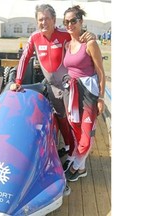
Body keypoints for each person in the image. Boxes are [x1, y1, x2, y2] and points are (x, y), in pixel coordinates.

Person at [9, 4, 96, 196]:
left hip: (68, 85)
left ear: (54, 19)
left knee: (73, 121)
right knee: (60, 117)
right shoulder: (34, 37)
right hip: (52, 86)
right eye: (40, 19)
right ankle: (68, 147)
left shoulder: (64, 33)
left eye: (46, 18)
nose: (43, 22)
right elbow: (25, 58)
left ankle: (75, 156)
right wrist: (17, 81)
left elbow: (81, 38)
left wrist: (92, 36)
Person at [61, 5, 106, 182]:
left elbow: (101, 72)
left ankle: (75, 166)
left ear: (81, 22)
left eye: (73, 20)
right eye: (66, 21)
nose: (69, 24)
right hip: (72, 93)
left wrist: (101, 97)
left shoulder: (90, 43)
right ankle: (82, 169)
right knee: (77, 132)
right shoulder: (67, 43)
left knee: (86, 137)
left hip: (88, 94)